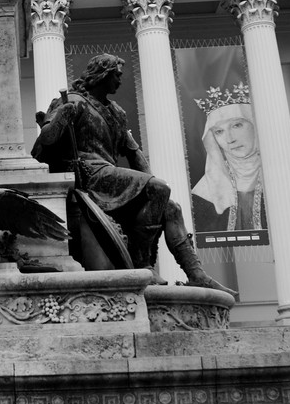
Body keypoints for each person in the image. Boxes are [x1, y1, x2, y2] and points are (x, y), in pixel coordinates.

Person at [32, 54, 234, 292]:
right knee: (158, 189)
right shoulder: (72, 101)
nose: (120, 81)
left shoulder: (116, 112)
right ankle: (143, 265)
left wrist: (154, 190)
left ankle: (196, 273)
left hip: (108, 176)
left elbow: (134, 153)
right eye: (116, 76)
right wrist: (62, 116)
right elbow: (46, 140)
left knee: (171, 207)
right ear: (102, 75)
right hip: (89, 175)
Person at [191, 84, 265, 234]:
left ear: (254, 124)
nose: (229, 139)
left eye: (237, 125)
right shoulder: (205, 192)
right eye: (219, 131)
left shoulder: (285, 177)